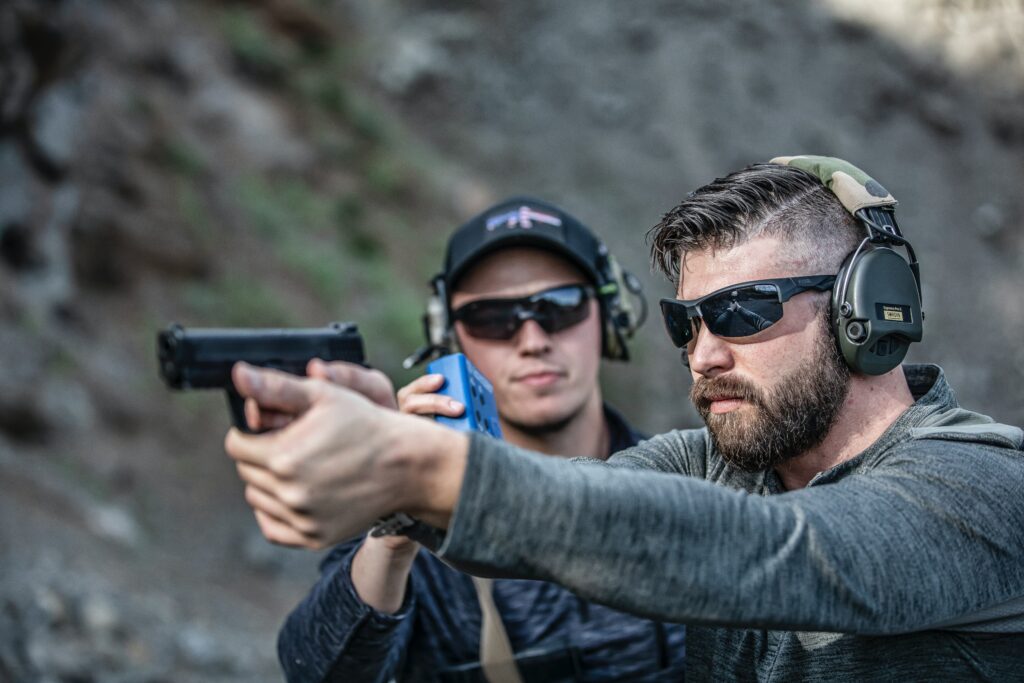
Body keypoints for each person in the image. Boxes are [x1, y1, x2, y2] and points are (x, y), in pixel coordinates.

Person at [225, 157, 1024, 680]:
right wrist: (396, 480)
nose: (704, 354)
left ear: (866, 310)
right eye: (688, 323)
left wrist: (417, 469)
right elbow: (570, 495)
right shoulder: (722, 461)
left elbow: (782, 552)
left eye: (743, 312)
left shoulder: (983, 482)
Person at [274, 198, 686, 681]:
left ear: (609, 315)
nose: (532, 340)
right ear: (451, 337)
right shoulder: (419, 523)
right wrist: (398, 527)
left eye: (560, 306)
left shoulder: (689, 482)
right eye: (493, 317)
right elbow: (316, 669)